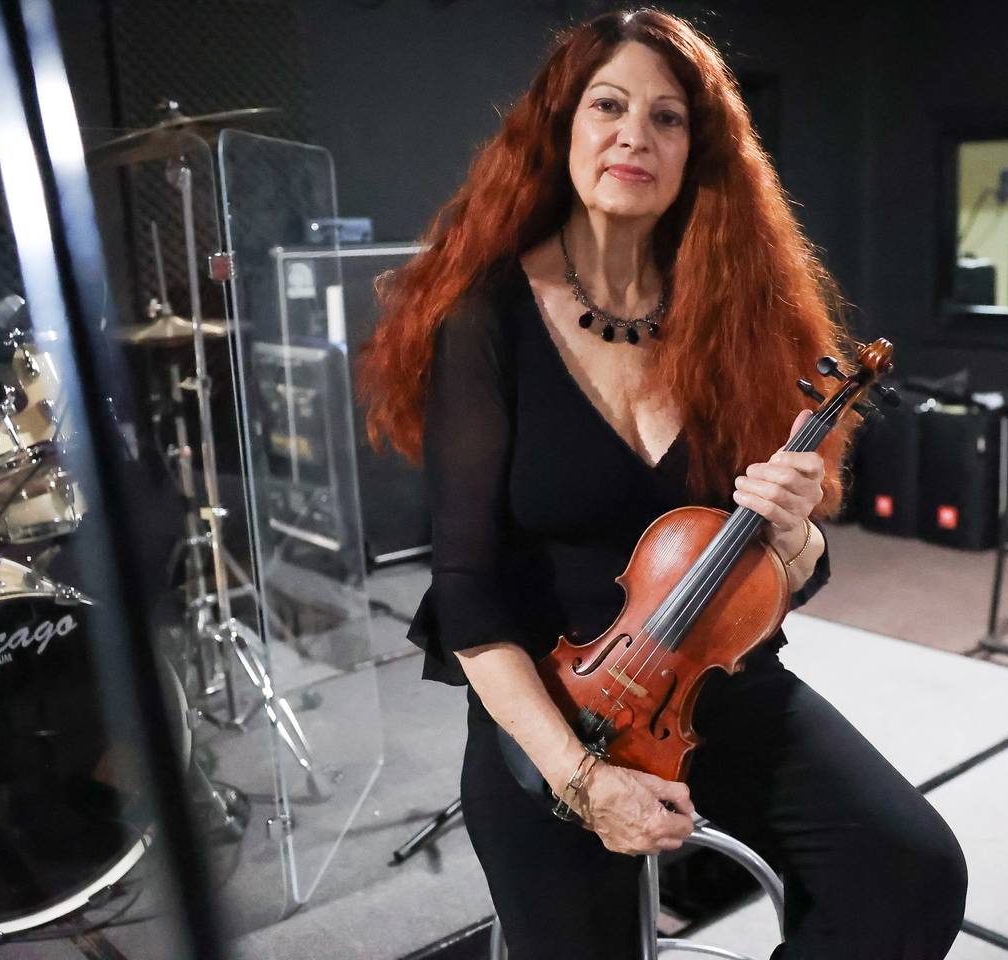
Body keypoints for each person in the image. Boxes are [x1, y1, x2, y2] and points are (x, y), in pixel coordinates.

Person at [359, 9, 966, 958]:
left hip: (711, 691)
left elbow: (786, 573)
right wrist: (579, 778)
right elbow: (469, 592)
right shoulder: (486, 321)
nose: (635, 135)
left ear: (698, 150)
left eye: (668, 117)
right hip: (554, 708)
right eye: (609, 105)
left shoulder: (735, 315)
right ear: (561, 126)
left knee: (911, 873)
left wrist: (795, 531)